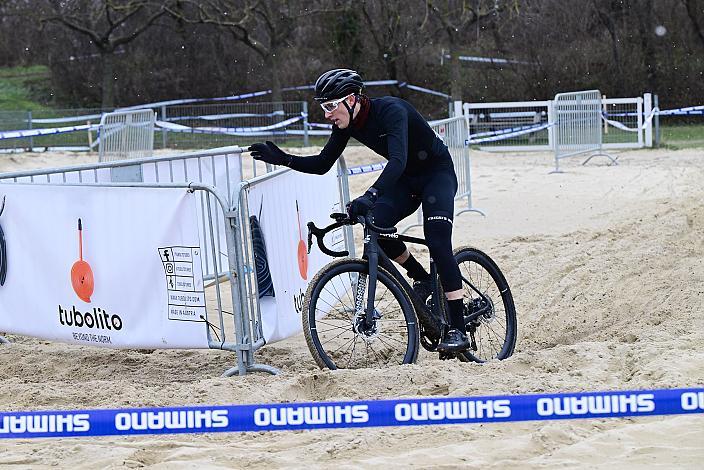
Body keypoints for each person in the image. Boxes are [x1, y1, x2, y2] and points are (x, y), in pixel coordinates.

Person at [248, 68, 469, 353]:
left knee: (438, 241)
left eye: (331, 106)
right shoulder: (346, 123)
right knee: (377, 223)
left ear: (352, 99)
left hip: (435, 174)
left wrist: (371, 194)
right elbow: (323, 163)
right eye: (323, 107)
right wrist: (284, 159)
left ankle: (459, 330)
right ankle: (423, 277)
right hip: (407, 181)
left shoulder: (391, 110)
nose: (327, 114)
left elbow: (398, 160)